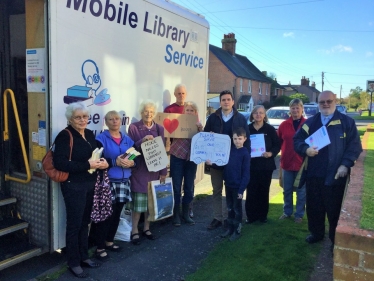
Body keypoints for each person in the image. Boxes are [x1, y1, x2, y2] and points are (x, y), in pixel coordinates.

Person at [293, 90, 362, 248]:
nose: (325, 104)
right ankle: (316, 234)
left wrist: (345, 164)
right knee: (314, 207)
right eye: (322, 102)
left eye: (328, 101)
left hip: (336, 175)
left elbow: (354, 146)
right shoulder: (311, 122)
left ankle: (334, 240)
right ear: (318, 103)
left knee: (334, 210)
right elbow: (296, 140)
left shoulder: (346, 122)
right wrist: (305, 149)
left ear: (335, 101)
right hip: (314, 174)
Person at [54, 102, 109, 278]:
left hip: (89, 184)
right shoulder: (64, 136)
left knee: (85, 223)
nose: (82, 120)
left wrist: (104, 163)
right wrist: (88, 165)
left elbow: (97, 154)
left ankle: (84, 256)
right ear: (70, 118)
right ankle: (73, 262)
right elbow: (60, 163)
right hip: (73, 186)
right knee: (74, 225)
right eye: (78, 117)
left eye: (85, 116)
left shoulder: (90, 134)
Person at [89, 110, 136, 260]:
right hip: (108, 182)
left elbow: (135, 157)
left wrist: (132, 162)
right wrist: (114, 161)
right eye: (111, 119)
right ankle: (99, 247)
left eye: (117, 118)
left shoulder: (128, 140)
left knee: (117, 214)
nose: (115, 121)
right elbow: (99, 159)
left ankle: (109, 242)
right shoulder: (101, 139)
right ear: (106, 121)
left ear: (121, 121)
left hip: (124, 182)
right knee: (106, 215)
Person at [204, 90, 250, 230]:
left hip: (234, 161)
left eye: (228, 99)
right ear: (220, 102)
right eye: (223, 99)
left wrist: (245, 159)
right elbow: (205, 138)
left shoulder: (240, 118)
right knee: (217, 190)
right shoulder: (212, 118)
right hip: (216, 162)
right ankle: (218, 217)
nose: (226, 102)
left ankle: (234, 219)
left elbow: (246, 140)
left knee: (233, 190)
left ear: (233, 102)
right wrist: (208, 157)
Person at [128, 100, 167, 245]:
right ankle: (134, 231)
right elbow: (130, 151)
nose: (148, 114)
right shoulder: (133, 128)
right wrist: (141, 141)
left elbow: (161, 150)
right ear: (141, 112)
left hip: (154, 170)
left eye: (151, 112)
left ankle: (146, 228)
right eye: (146, 111)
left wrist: (163, 171)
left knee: (151, 202)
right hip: (139, 171)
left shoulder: (159, 128)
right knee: (138, 203)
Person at [170, 101, 203, 226]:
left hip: (192, 159)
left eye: (192, 110)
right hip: (177, 156)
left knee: (189, 187)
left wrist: (201, 130)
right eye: (187, 110)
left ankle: (186, 214)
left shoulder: (199, 125)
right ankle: (176, 215)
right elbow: (169, 133)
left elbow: (202, 143)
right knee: (176, 187)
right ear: (184, 111)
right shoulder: (178, 121)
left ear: (195, 113)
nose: (189, 112)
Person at [245, 105, 280, 224]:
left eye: (261, 113)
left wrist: (271, 153)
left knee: (264, 191)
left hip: (266, 166)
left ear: (265, 115)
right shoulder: (247, 128)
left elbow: (277, 145)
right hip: (251, 165)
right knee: (251, 191)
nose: (258, 115)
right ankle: (251, 217)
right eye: (256, 113)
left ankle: (262, 216)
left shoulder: (269, 129)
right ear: (252, 115)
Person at [277, 99, 307, 223]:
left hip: (302, 163)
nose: (295, 110)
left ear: (302, 109)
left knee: (301, 192)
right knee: (287, 190)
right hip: (287, 162)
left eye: (297, 107)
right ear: (290, 110)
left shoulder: (308, 124)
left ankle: (299, 214)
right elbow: (278, 142)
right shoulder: (284, 125)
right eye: (293, 108)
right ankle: (287, 212)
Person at [220, 127, 250, 241]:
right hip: (228, 185)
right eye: (235, 139)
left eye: (240, 138)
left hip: (238, 187)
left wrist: (241, 190)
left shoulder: (245, 154)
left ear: (245, 139)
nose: (237, 141)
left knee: (237, 209)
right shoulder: (229, 150)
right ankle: (230, 228)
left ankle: (237, 230)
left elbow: (246, 174)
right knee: (229, 208)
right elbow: (221, 162)